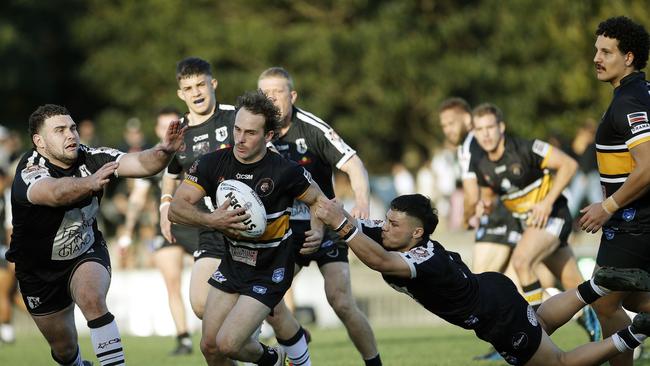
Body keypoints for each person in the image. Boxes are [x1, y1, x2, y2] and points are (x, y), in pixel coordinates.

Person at [315, 193, 650, 366]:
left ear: (417, 233)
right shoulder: (397, 234)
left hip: (495, 316)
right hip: (495, 291)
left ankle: (636, 331)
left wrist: (342, 227)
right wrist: (324, 208)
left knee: (557, 363)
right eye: (386, 221)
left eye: (393, 224)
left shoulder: (422, 258)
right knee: (540, 320)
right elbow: (348, 220)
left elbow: (380, 261)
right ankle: (598, 285)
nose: (384, 227)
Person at [5, 104, 185, 366]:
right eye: (60, 130)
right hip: (37, 268)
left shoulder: (92, 156)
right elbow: (54, 193)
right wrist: (88, 183)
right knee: (64, 350)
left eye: (73, 128)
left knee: (92, 297)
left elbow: (143, 163)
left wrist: (165, 151)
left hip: (85, 251)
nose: (71, 135)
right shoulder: (29, 169)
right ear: (39, 141)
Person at [169, 90, 327, 366]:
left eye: (250, 133)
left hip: (270, 269)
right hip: (233, 264)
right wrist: (210, 220)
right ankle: (278, 358)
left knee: (229, 344)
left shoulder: (284, 171)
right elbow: (176, 208)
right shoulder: (213, 162)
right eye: (237, 130)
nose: (240, 139)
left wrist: (318, 228)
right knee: (209, 347)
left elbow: (318, 200)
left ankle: (276, 358)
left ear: (268, 136)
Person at [439, 99, 601, 361]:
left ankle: (538, 331)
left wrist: (547, 203)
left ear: (501, 127)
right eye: (480, 130)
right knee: (579, 288)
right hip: (535, 226)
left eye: (490, 127)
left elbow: (569, 165)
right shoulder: (483, 166)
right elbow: (489, 196)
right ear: (475, 132)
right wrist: (483, 207)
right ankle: (613, 327)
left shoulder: (525, 148)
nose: (486, 134)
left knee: (522, 260)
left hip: (553, 217)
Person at [257, 67, 381, 366]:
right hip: (285, 230)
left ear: (293, 95)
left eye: (278, 92)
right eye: (265, 93)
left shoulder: (313, 128)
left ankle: (374, 363)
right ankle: (296, 338)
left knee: (341, 301)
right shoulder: (254, 132)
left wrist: (361, 202)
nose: (271, 99)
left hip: (325, 226)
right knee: (266, 302)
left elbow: (354, 165)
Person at [579, 16, 650, 366]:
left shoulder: (629, 101)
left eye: (607, 52)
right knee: (630, 301)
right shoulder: (638, 93)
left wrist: (608, 206)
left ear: (629, 57)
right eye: (596, 50)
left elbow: (648, 167)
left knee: (606, 301)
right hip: (634, 219)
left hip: (634, 221)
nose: (597, 57)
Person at [159, 57, 237, 321]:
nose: (196, 92)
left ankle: (290, 346)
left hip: (247, 227)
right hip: (211, 229)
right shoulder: (178, 133)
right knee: (201, 304)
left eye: (201, 85)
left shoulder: (236, 117)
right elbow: (170, 174)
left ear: (213, 84)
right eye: (189, 88)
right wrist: (164, 206)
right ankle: (265, 351)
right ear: (181, 94)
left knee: (266, 310)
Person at [118, 106, 195, 355]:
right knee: (172, 283)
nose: (168, 130)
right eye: (163, 126)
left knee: (210, 285)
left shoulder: (195, 149)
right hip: (166, 228)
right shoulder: (151, 157)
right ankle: (183, 338)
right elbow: (138, 198)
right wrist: (127, 234)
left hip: (199, 225)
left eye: (172, 125)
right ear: (156, 129)